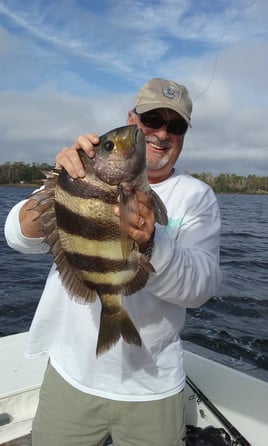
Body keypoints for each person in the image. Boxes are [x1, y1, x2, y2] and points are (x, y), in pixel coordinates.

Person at [5, 77, 222, 446]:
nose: (161, 134)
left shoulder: (197, 197)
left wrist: (154, 241)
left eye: (176, 125)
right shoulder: (79, 173)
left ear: (183, 134)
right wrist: (59, 184)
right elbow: (18, 236)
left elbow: (202, 287)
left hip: (153, 385)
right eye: (152, 119)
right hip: (70, 374)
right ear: (132, 119)